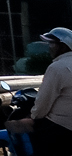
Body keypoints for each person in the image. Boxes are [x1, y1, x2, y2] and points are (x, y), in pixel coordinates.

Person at [29, 26, 72, 155]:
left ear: (63, 46)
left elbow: (44, 101)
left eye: (52, 44)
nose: (49, 47)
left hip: (61, 125)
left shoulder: (57, 68)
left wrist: (33, 117)